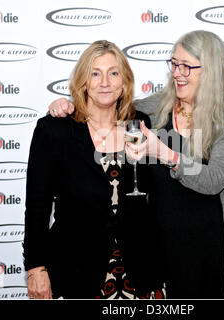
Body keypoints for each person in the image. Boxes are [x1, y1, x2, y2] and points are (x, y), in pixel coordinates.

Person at [48, 30, 224, 298]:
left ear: (212, 71)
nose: (177, 73)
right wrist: (67, 107)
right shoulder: (156, 108)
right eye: (174, 64)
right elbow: (108, 104)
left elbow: (213, 179)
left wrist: (166, 153)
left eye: (187, 66)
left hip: (214, 249)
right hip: (165, 252)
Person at [23, 40, 165, 299]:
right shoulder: (56, 130)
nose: (105, 82)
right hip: (76, 275)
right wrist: (35, 268)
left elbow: (151, 200)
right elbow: (37, 206)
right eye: (95, 74)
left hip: (139, 274)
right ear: (83, 82)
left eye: (113, 73)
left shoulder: (140, 126)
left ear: (124, 82)